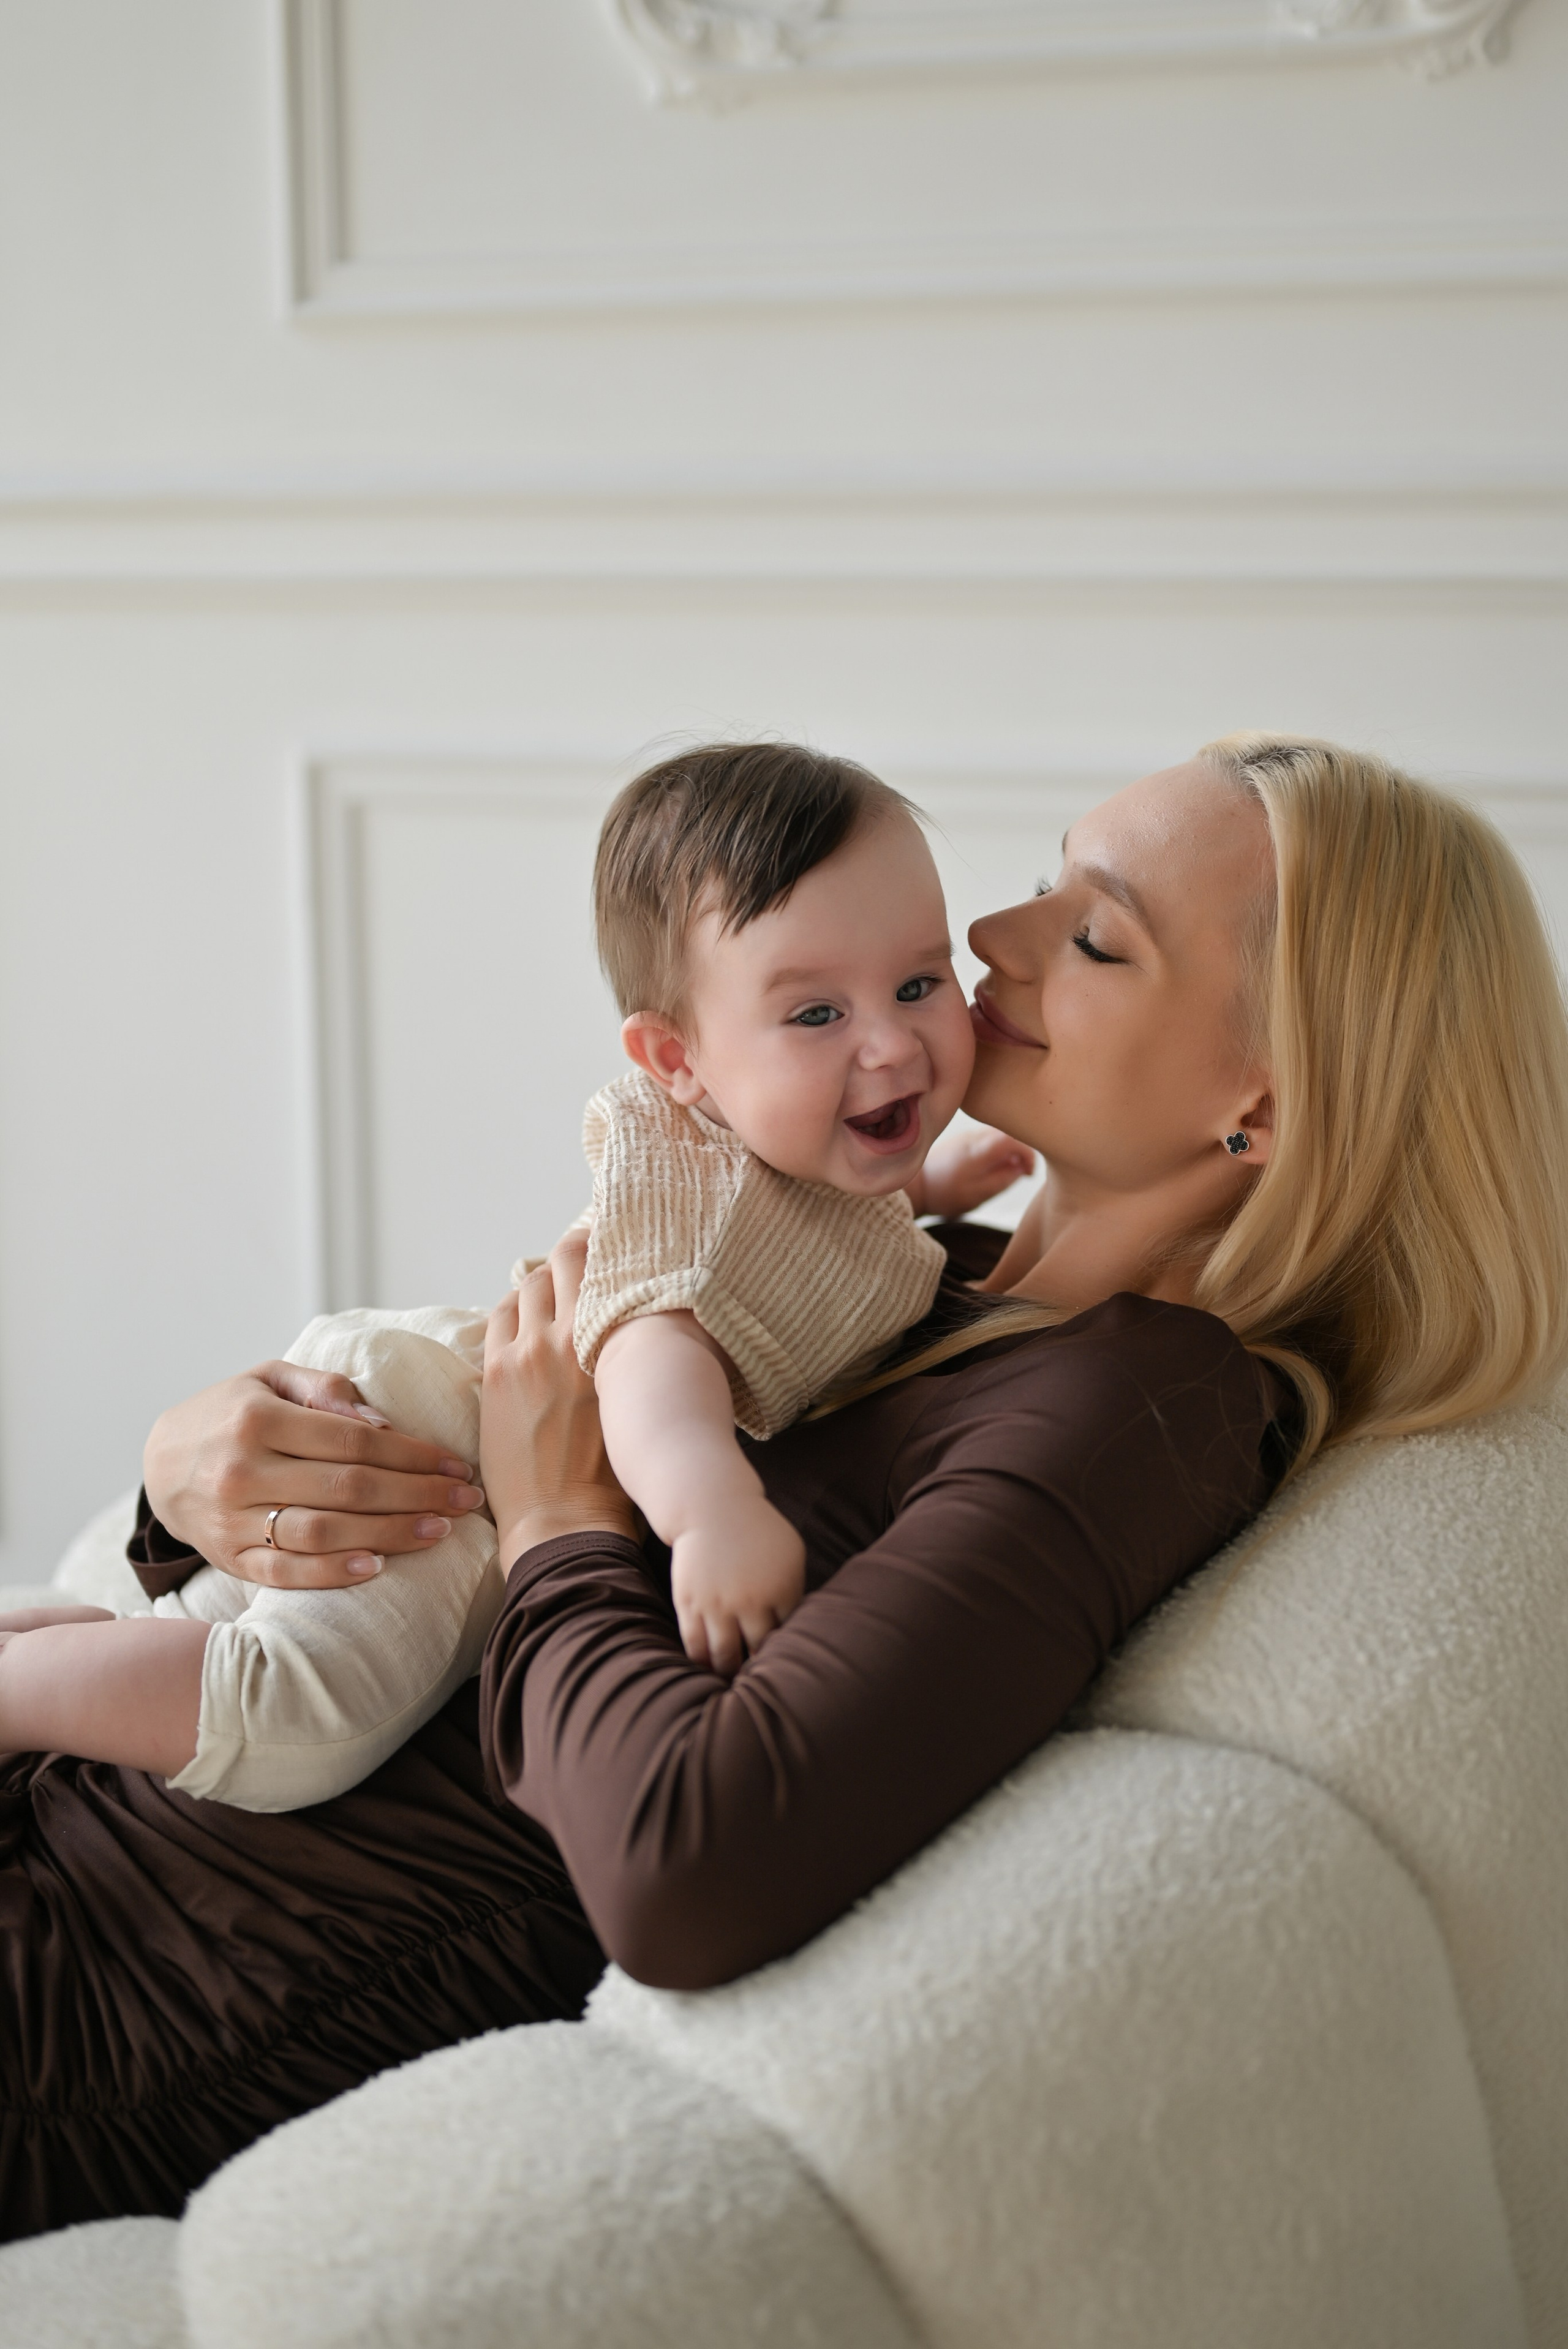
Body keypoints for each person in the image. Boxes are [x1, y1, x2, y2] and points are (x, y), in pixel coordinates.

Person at [3, 734, 1565, 2242]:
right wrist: (200, 1478)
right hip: (93, 1816)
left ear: (1266, 1104)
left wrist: (563, 1522)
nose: (990, 938)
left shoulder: (1136, 1406)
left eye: (1094, 937)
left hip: (108, 2002)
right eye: (1041, 880)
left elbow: (692, 1862)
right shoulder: (908, 1271)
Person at [0, 746, 1030, 1808]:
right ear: (678, 1064)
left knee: (242, 1635)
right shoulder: (701, 1210)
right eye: (817, 1014)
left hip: (456, 1417)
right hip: (452, 1465)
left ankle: (78, 1642)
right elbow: (649, 1360)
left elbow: (817, 1235)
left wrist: (936, 1184)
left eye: (919, 983)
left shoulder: (786, 1155)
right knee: (297, 1725)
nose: (893, 1046)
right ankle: (21, 1690)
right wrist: (711, 1509)